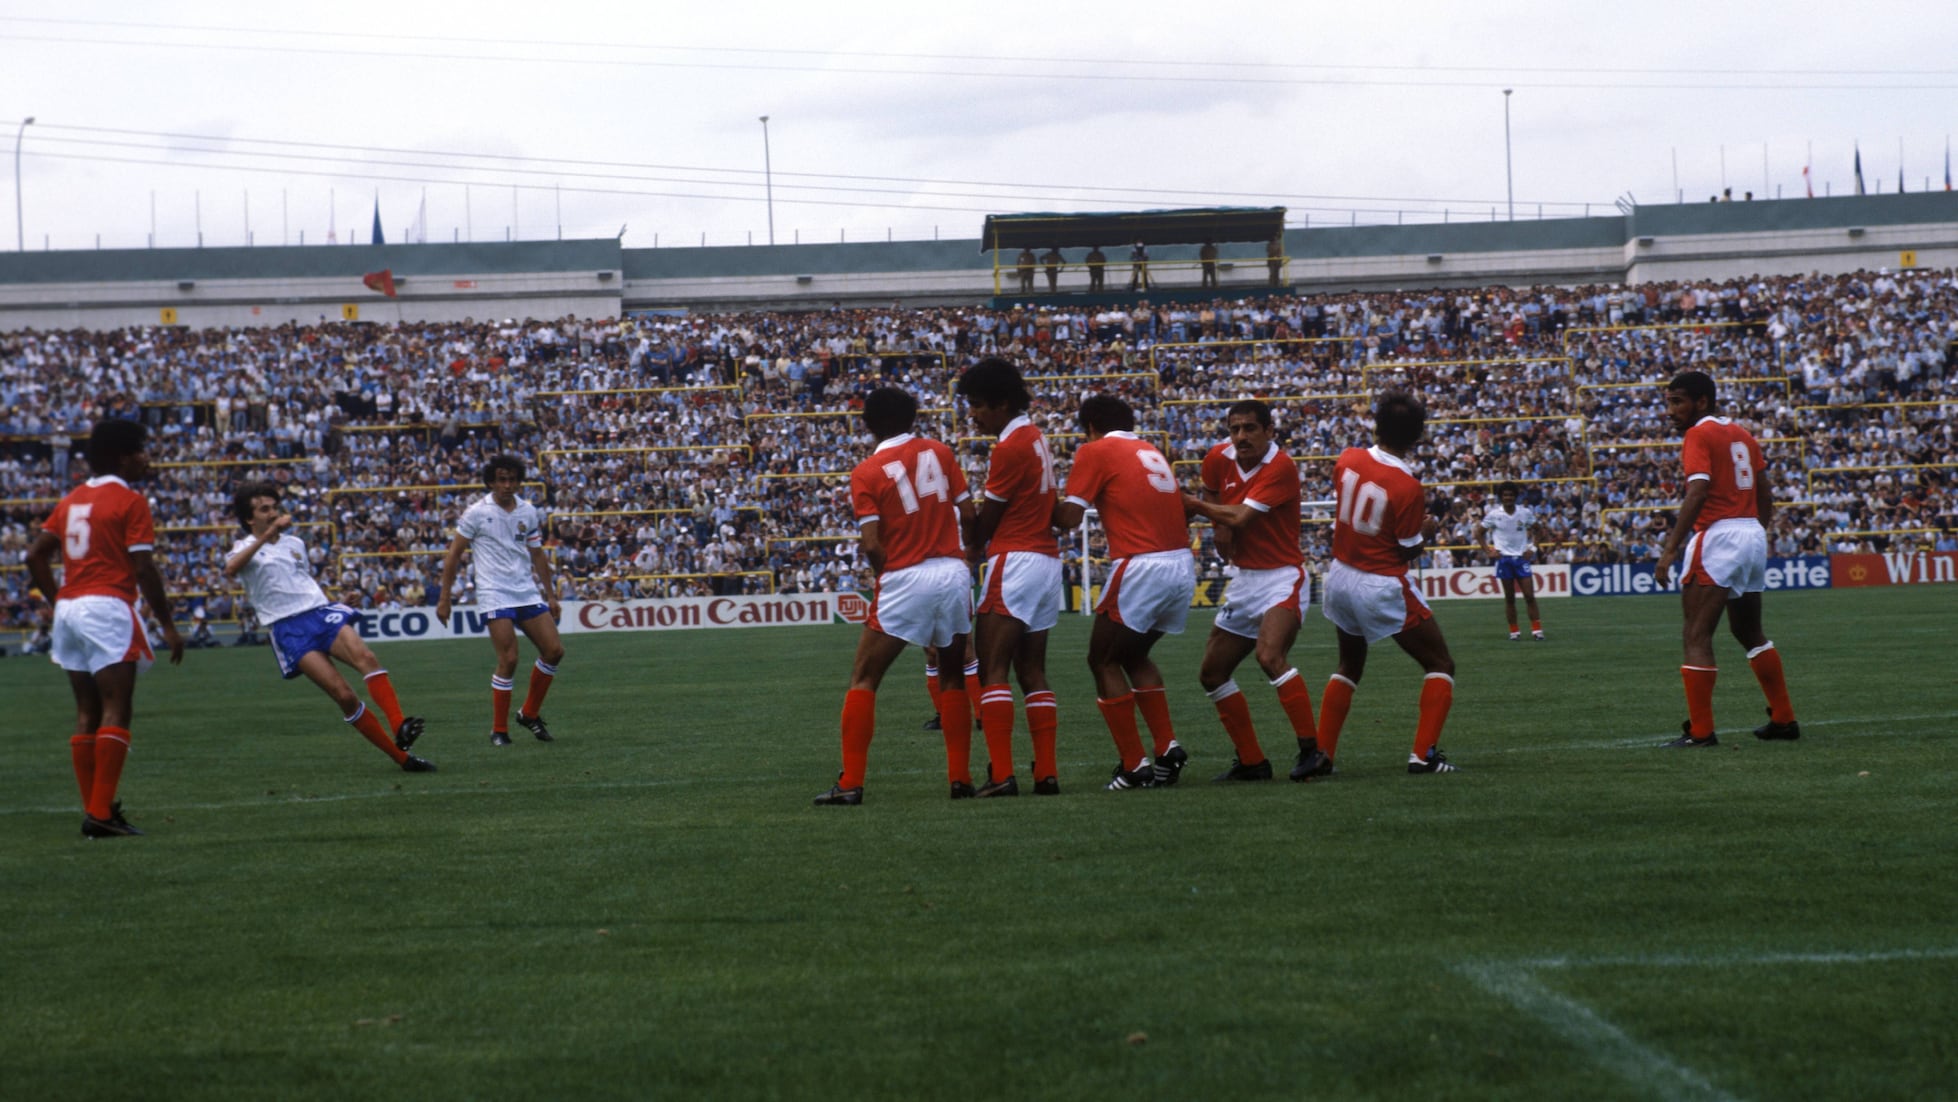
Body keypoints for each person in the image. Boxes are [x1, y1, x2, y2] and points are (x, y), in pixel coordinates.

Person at [814, 387, 979, 805]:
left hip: (906, 574)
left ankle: (851, 783)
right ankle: (960, 779)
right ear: (913, 417)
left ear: (867, 424)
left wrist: (888, 577)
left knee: (865, 678)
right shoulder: (940, 452)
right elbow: (970, 513)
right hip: (953, 571)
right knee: (954, 675)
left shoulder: (867, 471)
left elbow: (871, 544)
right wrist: (967, 562)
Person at [24, 419, 185, 839]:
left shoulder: (73, 499)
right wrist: (167, 624)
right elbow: (144, 568)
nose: (146, 458)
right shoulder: (130, 500)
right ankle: (99, 815)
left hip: (70, 609)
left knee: (86, 711)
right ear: (123, 456)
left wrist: (59, 598)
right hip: (107, 605)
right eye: (141, 450)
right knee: (117, 706)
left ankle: (97, 809)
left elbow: (35, 556)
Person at [224, 481, 436, 772]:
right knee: (345, 696)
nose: (273, 513)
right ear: (250, 519)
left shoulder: (294, 544)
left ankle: (400, 724)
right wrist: (266, 536)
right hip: (288, 628)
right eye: (264, 510)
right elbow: (231, 569)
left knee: (367, 658)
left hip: (319, 612)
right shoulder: (243, 548)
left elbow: (300, 583)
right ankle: (402, 759)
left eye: (275, 507)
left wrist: (333, 600)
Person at [1053, 394, 1196, 791]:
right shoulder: (1149, 449)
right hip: (1181, 562)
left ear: (1090, 427)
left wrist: (1036, 498)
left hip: (1142, 563)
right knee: (1134, 655)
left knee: (1101, 661)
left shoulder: (1096, 450)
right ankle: (1167, 746)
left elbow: (1069, 518)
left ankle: (1135, 765)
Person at [1652, 371, 1800, 748]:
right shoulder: (1742, 434)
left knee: (1696, 634)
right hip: (1750, 531)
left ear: (1702, 402)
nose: (1670, 410)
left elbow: (1698, 491)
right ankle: (1783, 719)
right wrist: (1757, 532)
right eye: (1668, 401)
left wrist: (1670, 550)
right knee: (1749, 632)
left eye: (1678, 401)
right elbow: (1765, 492)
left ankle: (1701, 732)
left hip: (1719, 534)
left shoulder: (1698, 434)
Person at [1314, 392, 1459, 775]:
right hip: (1379, 584)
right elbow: (1407, 551)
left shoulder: (1347, 459)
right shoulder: (1408, 485)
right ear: (1417, 436)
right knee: (1440, 662)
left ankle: (1322, 754)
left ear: (1376, 425)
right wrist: (1428, 530)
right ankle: (1422, 756)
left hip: (1340, 576)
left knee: (1348, 664)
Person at [1183, 400, 1329, 784]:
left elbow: (1242, 515)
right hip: (1246, 579)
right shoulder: (1218, 457)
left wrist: (1194, 507)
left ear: (1269, 432)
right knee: (1212, 673)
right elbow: (1215, 493)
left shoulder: (1280, 467)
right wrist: (1218, 528)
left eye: (1250, 428)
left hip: (1282, 577)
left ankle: (1312, 751)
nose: (1241, 437)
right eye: (1234, 429)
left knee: (1269, 656)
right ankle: (1252, 762)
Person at [957, 357, 1064, 797]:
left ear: (1002, 403)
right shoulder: (1036, 437)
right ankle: (1047, 773)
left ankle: (1001, 773)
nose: (974, 415)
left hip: (1015, 559)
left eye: (979, 405)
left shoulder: (1009, 446)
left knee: (992, 670)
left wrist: (964, 526)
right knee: (1033, 671)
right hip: (1045, 560)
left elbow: (988, 522)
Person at [436, 455, 568, 747]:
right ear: (492, 482)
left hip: (525, 591)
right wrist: (445, 599)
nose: (507, 485)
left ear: (519, 480)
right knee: (508, 659)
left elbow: (537, 554)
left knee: (554, 650)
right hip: (494, 591)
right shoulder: (476, 513)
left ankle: (529, 713)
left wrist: (550, 595)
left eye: (512, 479)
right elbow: (454, 556)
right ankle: (499, 730)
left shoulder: (528, 511)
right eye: (501, 479)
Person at [1478, 481, 1545, 640]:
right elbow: (1478, 533)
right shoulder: (1494, 515)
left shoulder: (1524, 513)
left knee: (1529, 595)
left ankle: (1537, 631)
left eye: (1511, 495)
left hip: (1521, 559)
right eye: (1505, 495)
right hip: (1504, 560)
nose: (1508, 497)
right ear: (1501, 497)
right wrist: (1488, 551)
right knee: (1510, 598)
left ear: (1516, 496)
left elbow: (1539, 531)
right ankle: (1514, 632)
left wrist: (1532, 549)